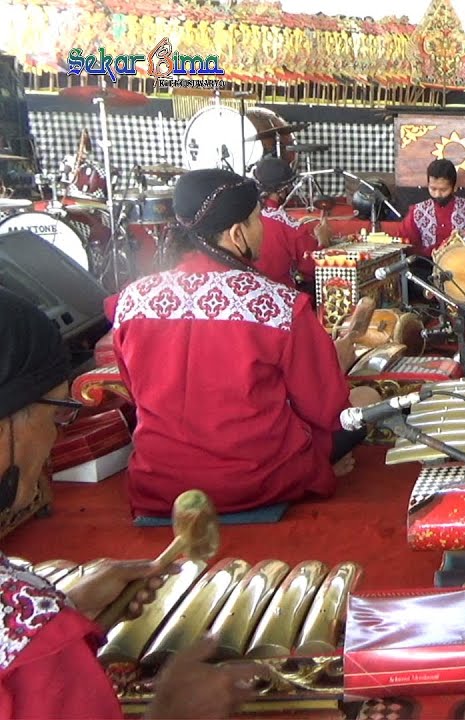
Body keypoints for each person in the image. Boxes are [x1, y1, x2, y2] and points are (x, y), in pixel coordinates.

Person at [0, 287, 258, 718]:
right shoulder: (34, 638)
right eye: (58, 413)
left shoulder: (134, 298)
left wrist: (69, 605)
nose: (58, 434)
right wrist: (172, 712)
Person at [106, 169, 380, 517]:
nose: (263, 228)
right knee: (366, 401)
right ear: (237, 234)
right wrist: (337, 360)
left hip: (160, 482)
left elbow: (134, 389)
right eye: (257, 220)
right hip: (258, 478)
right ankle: (314, 468)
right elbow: (327, 409)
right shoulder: (279, 305)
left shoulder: (131, 301)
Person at [250, 157, 334, 289]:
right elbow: (313, 268)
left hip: (246, 290)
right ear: (283, 189)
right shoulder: (291, 226)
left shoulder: (243, 216)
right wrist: (323, 242)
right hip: (280, 296)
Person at [396, 158, 465, 257]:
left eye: (443, 190)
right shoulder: (417, 211)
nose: (438, 194)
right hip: (426, 267)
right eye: (433, 189)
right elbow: (404, 242)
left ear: (454, 187)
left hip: (463, 267)